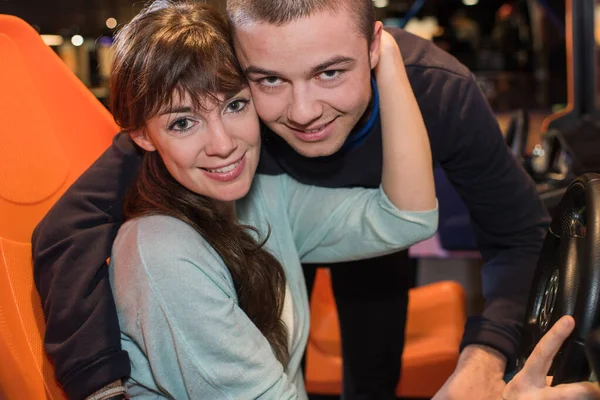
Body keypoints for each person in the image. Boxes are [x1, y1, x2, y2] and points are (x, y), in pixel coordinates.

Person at [30, 0, 552, 399]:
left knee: (368, 363)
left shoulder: (437, 92)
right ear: (236, 62)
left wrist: (486, 354)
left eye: (331, 72)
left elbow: (505, 231)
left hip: (293, 218)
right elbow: (69, 228)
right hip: (233, 235)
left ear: (371, 49)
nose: (303, 112)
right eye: (269, 80)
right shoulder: (194, 144)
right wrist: (102, 384)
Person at [104, 1, 438, 398]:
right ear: (143, 135)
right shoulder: (160, 253)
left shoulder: (264, 199)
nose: (223, 145)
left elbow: (407, 219)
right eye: (182, 122)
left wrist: (387, 60)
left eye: (235, 105)